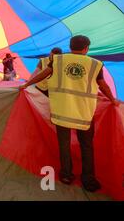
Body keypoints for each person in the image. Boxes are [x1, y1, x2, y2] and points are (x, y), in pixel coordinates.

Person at [20, 35, 120, 192]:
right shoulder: (95, 64)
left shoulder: (58, 60)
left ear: (70, 46)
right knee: (86, 146)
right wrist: (113, 100)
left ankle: (66, 175)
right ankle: (88, 179)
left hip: (62, 112)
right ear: (86, 48)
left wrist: (26, 84)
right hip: (84, 114)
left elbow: (43, 74)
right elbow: (103, 86)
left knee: (64, 145)